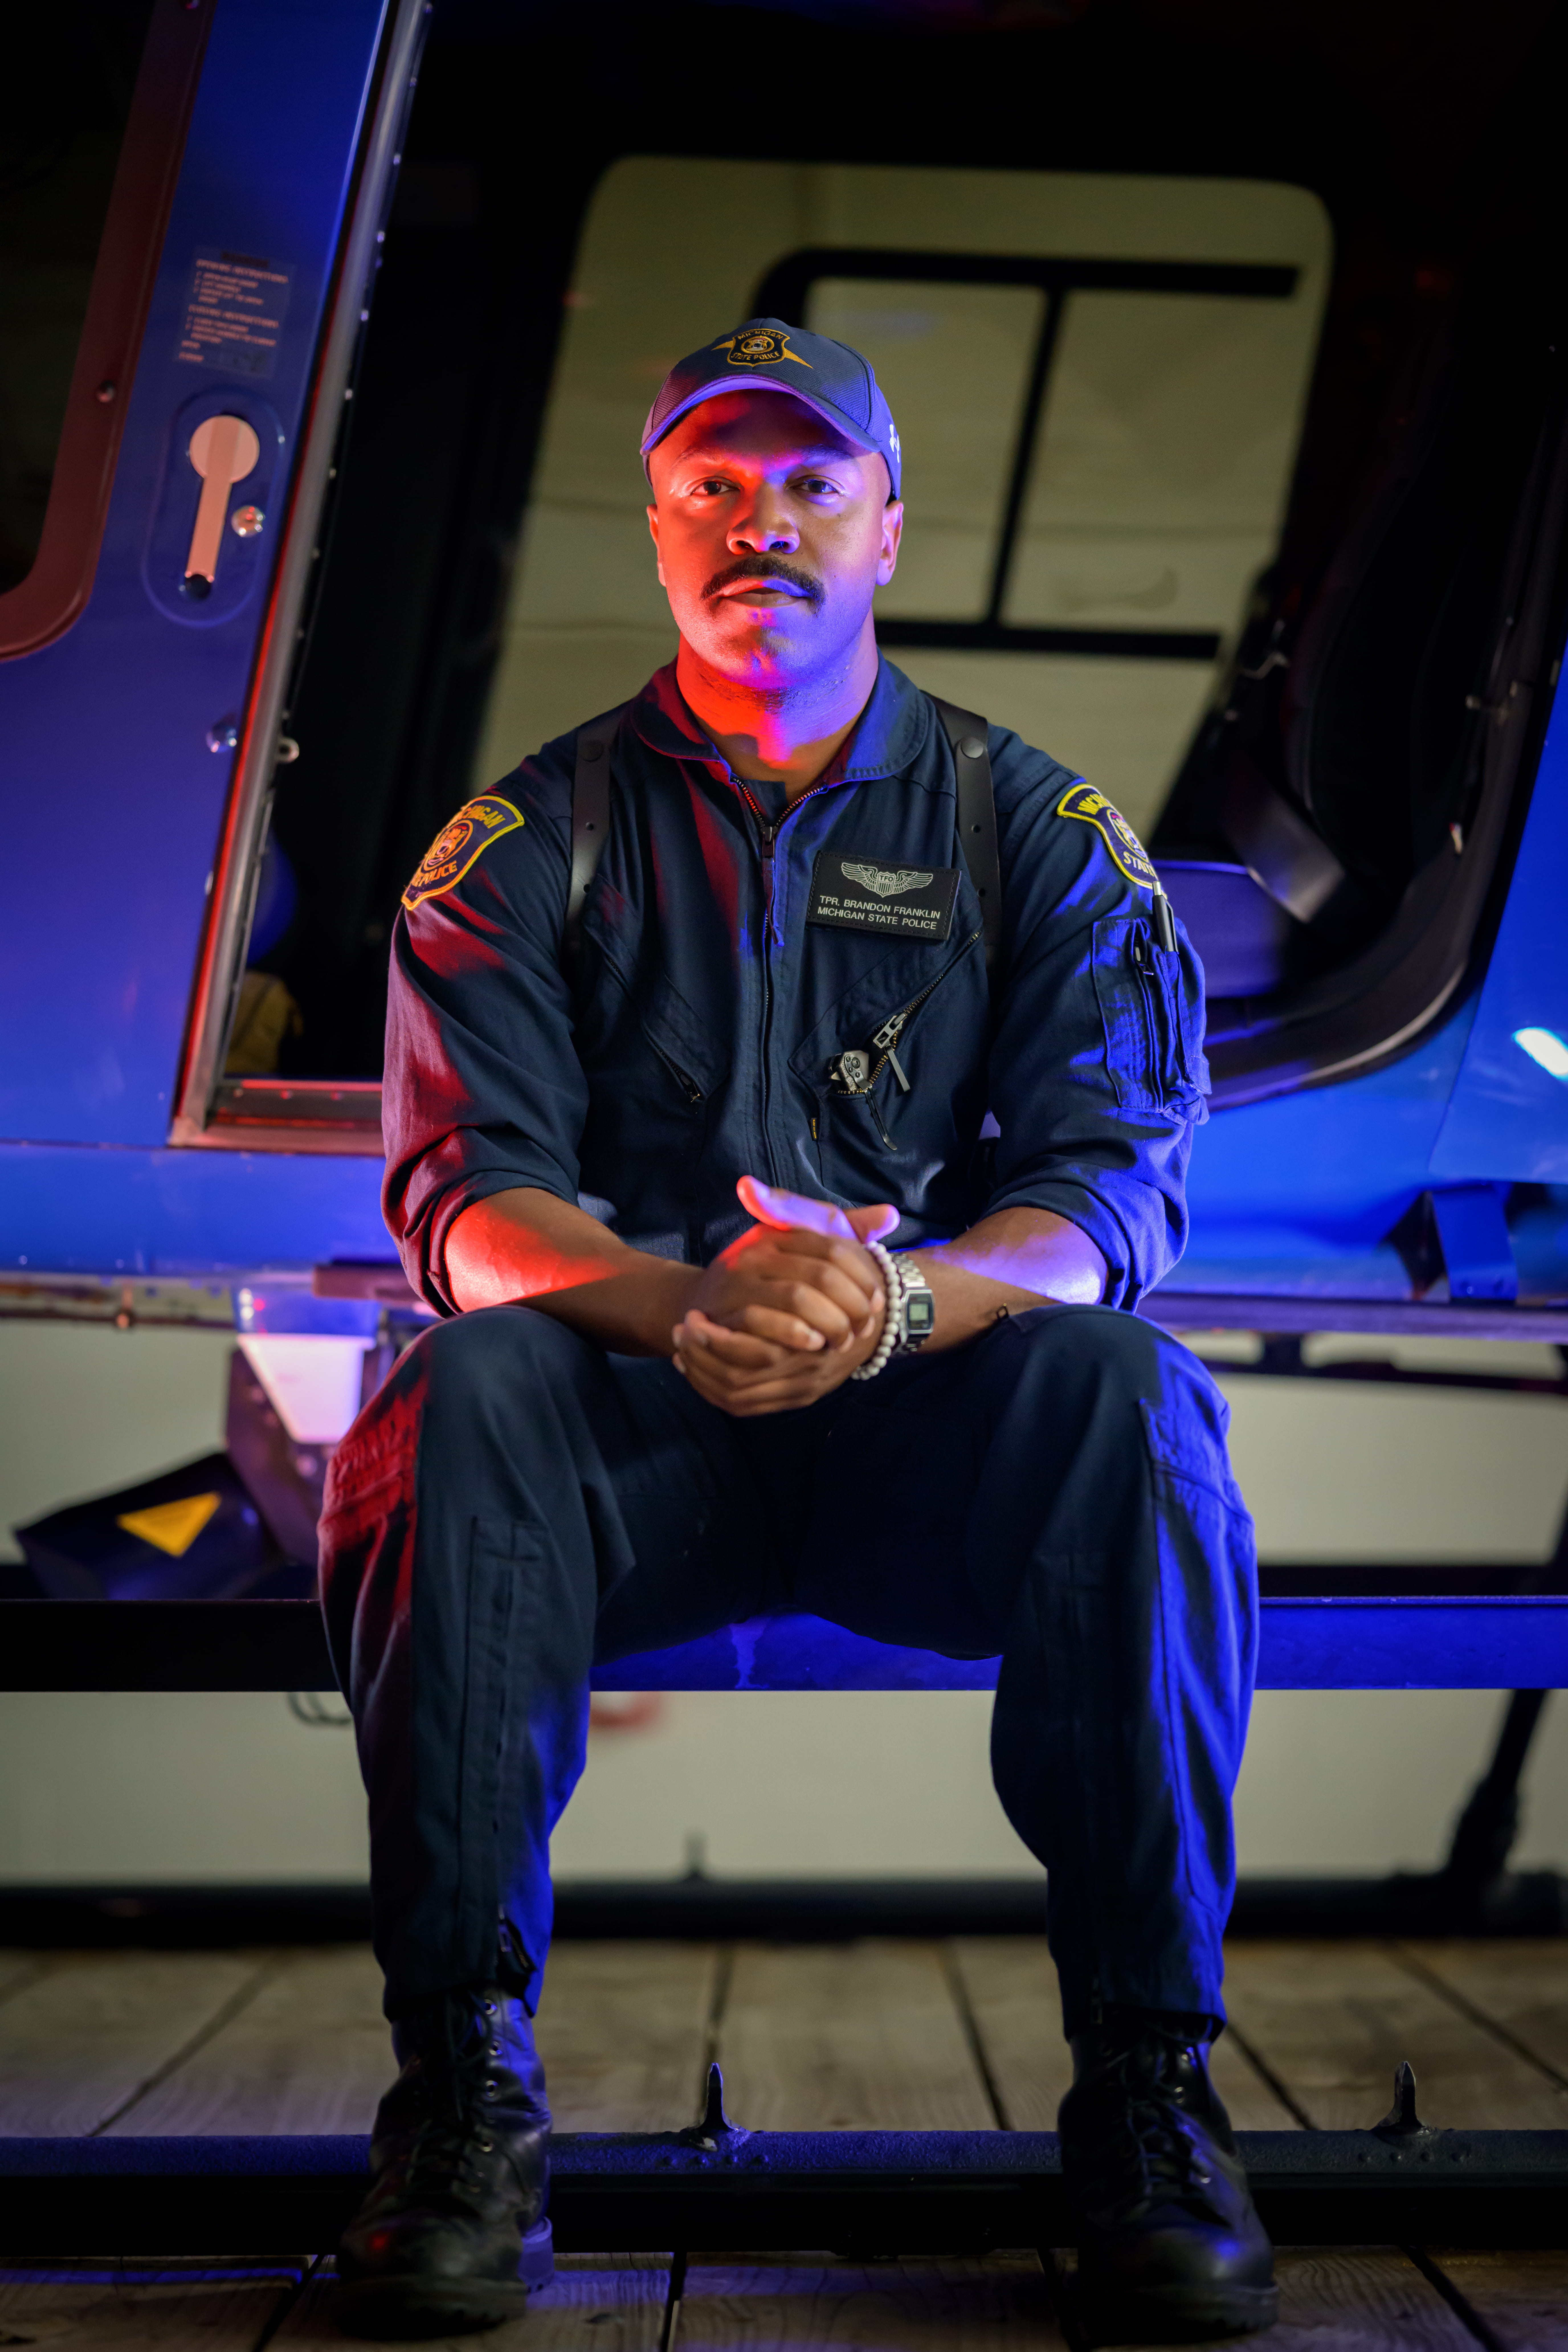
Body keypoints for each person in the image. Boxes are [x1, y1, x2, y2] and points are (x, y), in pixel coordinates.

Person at [320, 316, 1273, 2343]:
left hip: (915, 1439)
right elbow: (464, 1203)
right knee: (461, 1383)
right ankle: (461, 2096)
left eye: (808, 483)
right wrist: (691, 1310)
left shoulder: (1038, 836)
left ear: (888, 522)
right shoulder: (526, 845)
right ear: (657, 528)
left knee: (1135, 1396)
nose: (762, 524)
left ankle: (1147, 2096)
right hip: (634, 1453)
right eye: (714, 488)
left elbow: (1114, 1195)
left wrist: (904, 1302)